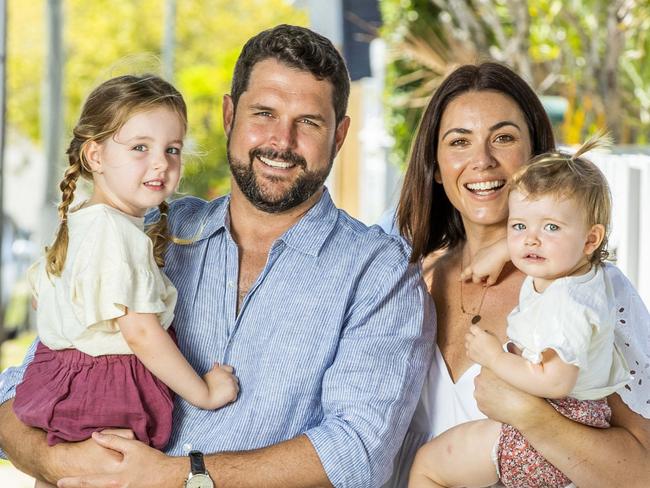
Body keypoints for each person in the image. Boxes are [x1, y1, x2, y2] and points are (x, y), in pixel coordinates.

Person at [0, 24, 433, 488]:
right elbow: (19, 390)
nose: (281, 141)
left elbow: (358, 451)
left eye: (308, 121)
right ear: (229, 115)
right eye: (263, 113)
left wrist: (177, 477)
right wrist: (60, 464)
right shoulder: (148, 232)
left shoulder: (380, 273)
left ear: (341, 134)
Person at [381, 62, 650, 488]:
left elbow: (643, 471)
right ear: (435, 165)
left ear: (537, 156)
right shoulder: (405, 279)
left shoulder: (588, 288)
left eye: (503, 138)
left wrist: (531, 416)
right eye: (459, 142)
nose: (482, 161)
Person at [12, 74, 240, 488]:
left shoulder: (81, 224)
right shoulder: (116, 235)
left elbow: (43, 301)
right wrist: (203, 392)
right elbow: (140, 332)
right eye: (140, 147)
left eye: (172, 149)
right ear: (95, 156)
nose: (161, 163)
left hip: (64, 381)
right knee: (113, 473)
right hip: (106, 392)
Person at [409, 138, 631, 488]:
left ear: (591, 240)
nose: (530, 240)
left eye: (551, 228)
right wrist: (504, 249)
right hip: (559, 436)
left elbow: (556, 381)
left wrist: (493, 358)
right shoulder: (581, 278)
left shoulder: (567, 306)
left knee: (428, 466)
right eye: (519, 226)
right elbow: (543, 244)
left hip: (545, 436)